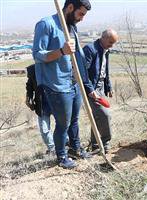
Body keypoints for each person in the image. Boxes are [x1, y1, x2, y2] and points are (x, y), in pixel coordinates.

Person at [32, 0, 92, 169]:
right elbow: (38, 55)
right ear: (70, 7)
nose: (82, 19)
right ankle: (62, 156)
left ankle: (75, 148)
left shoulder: (71, 26)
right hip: (57, 84)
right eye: (80, 14)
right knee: (63, 123)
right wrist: (61, 52)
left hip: (74, 81)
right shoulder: (46, 24)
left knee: (74, 120)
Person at [83, 29, 118, 154]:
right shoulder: (90, 49)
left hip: (100, 87)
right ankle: (105, 141)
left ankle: (95, 144)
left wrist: (108, 86)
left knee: (98, 116)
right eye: (110, 42)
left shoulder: (106, 50)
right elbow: (83, 73)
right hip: (91, 88)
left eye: (113, 43)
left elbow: (104, 69)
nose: (111, 46)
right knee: (104, 114)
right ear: (103, 38)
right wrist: (90, 89)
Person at [25, 64, 55, 155]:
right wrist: (29, 97)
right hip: (42, 104)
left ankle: (66, 143)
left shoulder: (55, 65)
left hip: (56, 102)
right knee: (44, 128)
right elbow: (29, 85)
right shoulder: (32, 69)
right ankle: (52, 148)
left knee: (63, 124)